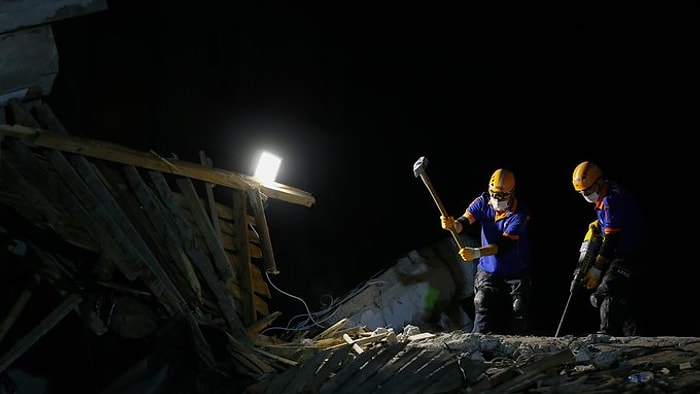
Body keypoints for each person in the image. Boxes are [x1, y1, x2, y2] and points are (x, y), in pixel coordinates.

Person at [440, 168, 533, 335]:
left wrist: (475, 253)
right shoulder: (483, 202)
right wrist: (452, 225)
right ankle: (478, 344)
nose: (496, 199)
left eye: (501, 195)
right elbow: (464, 222)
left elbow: (503, 246)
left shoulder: (520, 214)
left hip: (516, 270)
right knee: (482, 301)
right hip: (489, 269)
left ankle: (519, 347)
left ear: (511, 193)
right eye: (494, 194)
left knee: (518, 308)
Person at [571, 161, 647, 336]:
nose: (585, 195)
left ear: (598, 182)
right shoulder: (606, 192)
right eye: (581, 192)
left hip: (631, 253)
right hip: (624, 251)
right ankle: (632, 338)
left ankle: (607, 335)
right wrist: (599, 225)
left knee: (604, 293)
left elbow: (611, 241)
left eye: (588, 190)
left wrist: (596, 269)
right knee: (623, 298)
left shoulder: (610, 200)